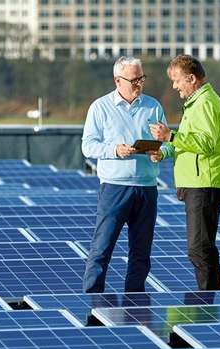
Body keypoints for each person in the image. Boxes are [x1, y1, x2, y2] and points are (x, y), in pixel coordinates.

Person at [81, 56, 168, 293]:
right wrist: (115, 150)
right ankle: (91, 301)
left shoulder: (153, 106)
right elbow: (87, 146)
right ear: (117, 80)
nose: (139, 84)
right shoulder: (100, 107)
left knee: (141, 253)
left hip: (147, 188)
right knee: (102, 248)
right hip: (114, 187)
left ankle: (135, 304)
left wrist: (160, 152)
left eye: (142, 78)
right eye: (134, 80)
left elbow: (167, 143)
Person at [149, 55, 220, 291]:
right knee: (203, 248)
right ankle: (214, 303)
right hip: (199, 183)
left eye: (177, 80)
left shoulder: (205, 104)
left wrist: (170, 136)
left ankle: (209, 305)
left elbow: (205, 144)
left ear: (191, 78)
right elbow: (189, 142)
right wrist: (164, 152)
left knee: (199, 249)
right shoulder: (197, 103)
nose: (174, 86)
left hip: (204, 183)